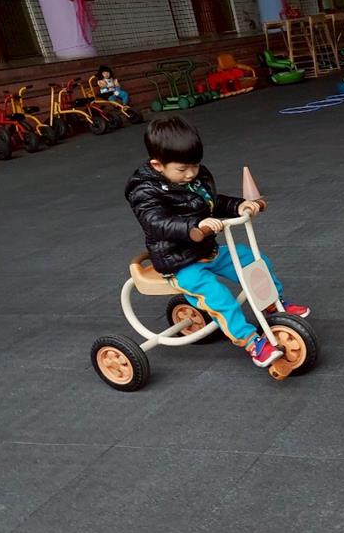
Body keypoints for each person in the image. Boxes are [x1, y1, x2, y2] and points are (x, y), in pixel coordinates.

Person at [125, 116, 310, 368]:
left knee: (251, 260)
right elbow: (156, 222)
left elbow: (212, 201)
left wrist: (238, 206)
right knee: (217, 295)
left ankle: (273, 304)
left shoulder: (193, 178)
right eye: (183, 169)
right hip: (179, 262)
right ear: (158, 165)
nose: (191, 174)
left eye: (195, 166)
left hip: (207, 250)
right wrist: (194, 225)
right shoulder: (144, 190)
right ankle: (250, 341)